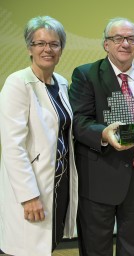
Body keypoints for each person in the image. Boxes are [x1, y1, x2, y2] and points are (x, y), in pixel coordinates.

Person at [69, 17, 134, 256]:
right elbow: (78, 121)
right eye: (117, 38)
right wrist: (104, 134)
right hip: (99, 176)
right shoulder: (86, 75)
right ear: (106, 44)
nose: (125, 44)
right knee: (96, 247)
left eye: (131, 38)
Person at [0, 16, 78, 256]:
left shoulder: (61, 83)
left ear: (61, 48)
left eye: (54, 44)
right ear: (29, 48)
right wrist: (29, 196)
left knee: (48, 245)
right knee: (26, 249)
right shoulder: (18, 83)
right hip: (33, 186)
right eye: (40, 43)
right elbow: (13, 146)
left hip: (59, 183)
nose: (48, 49)